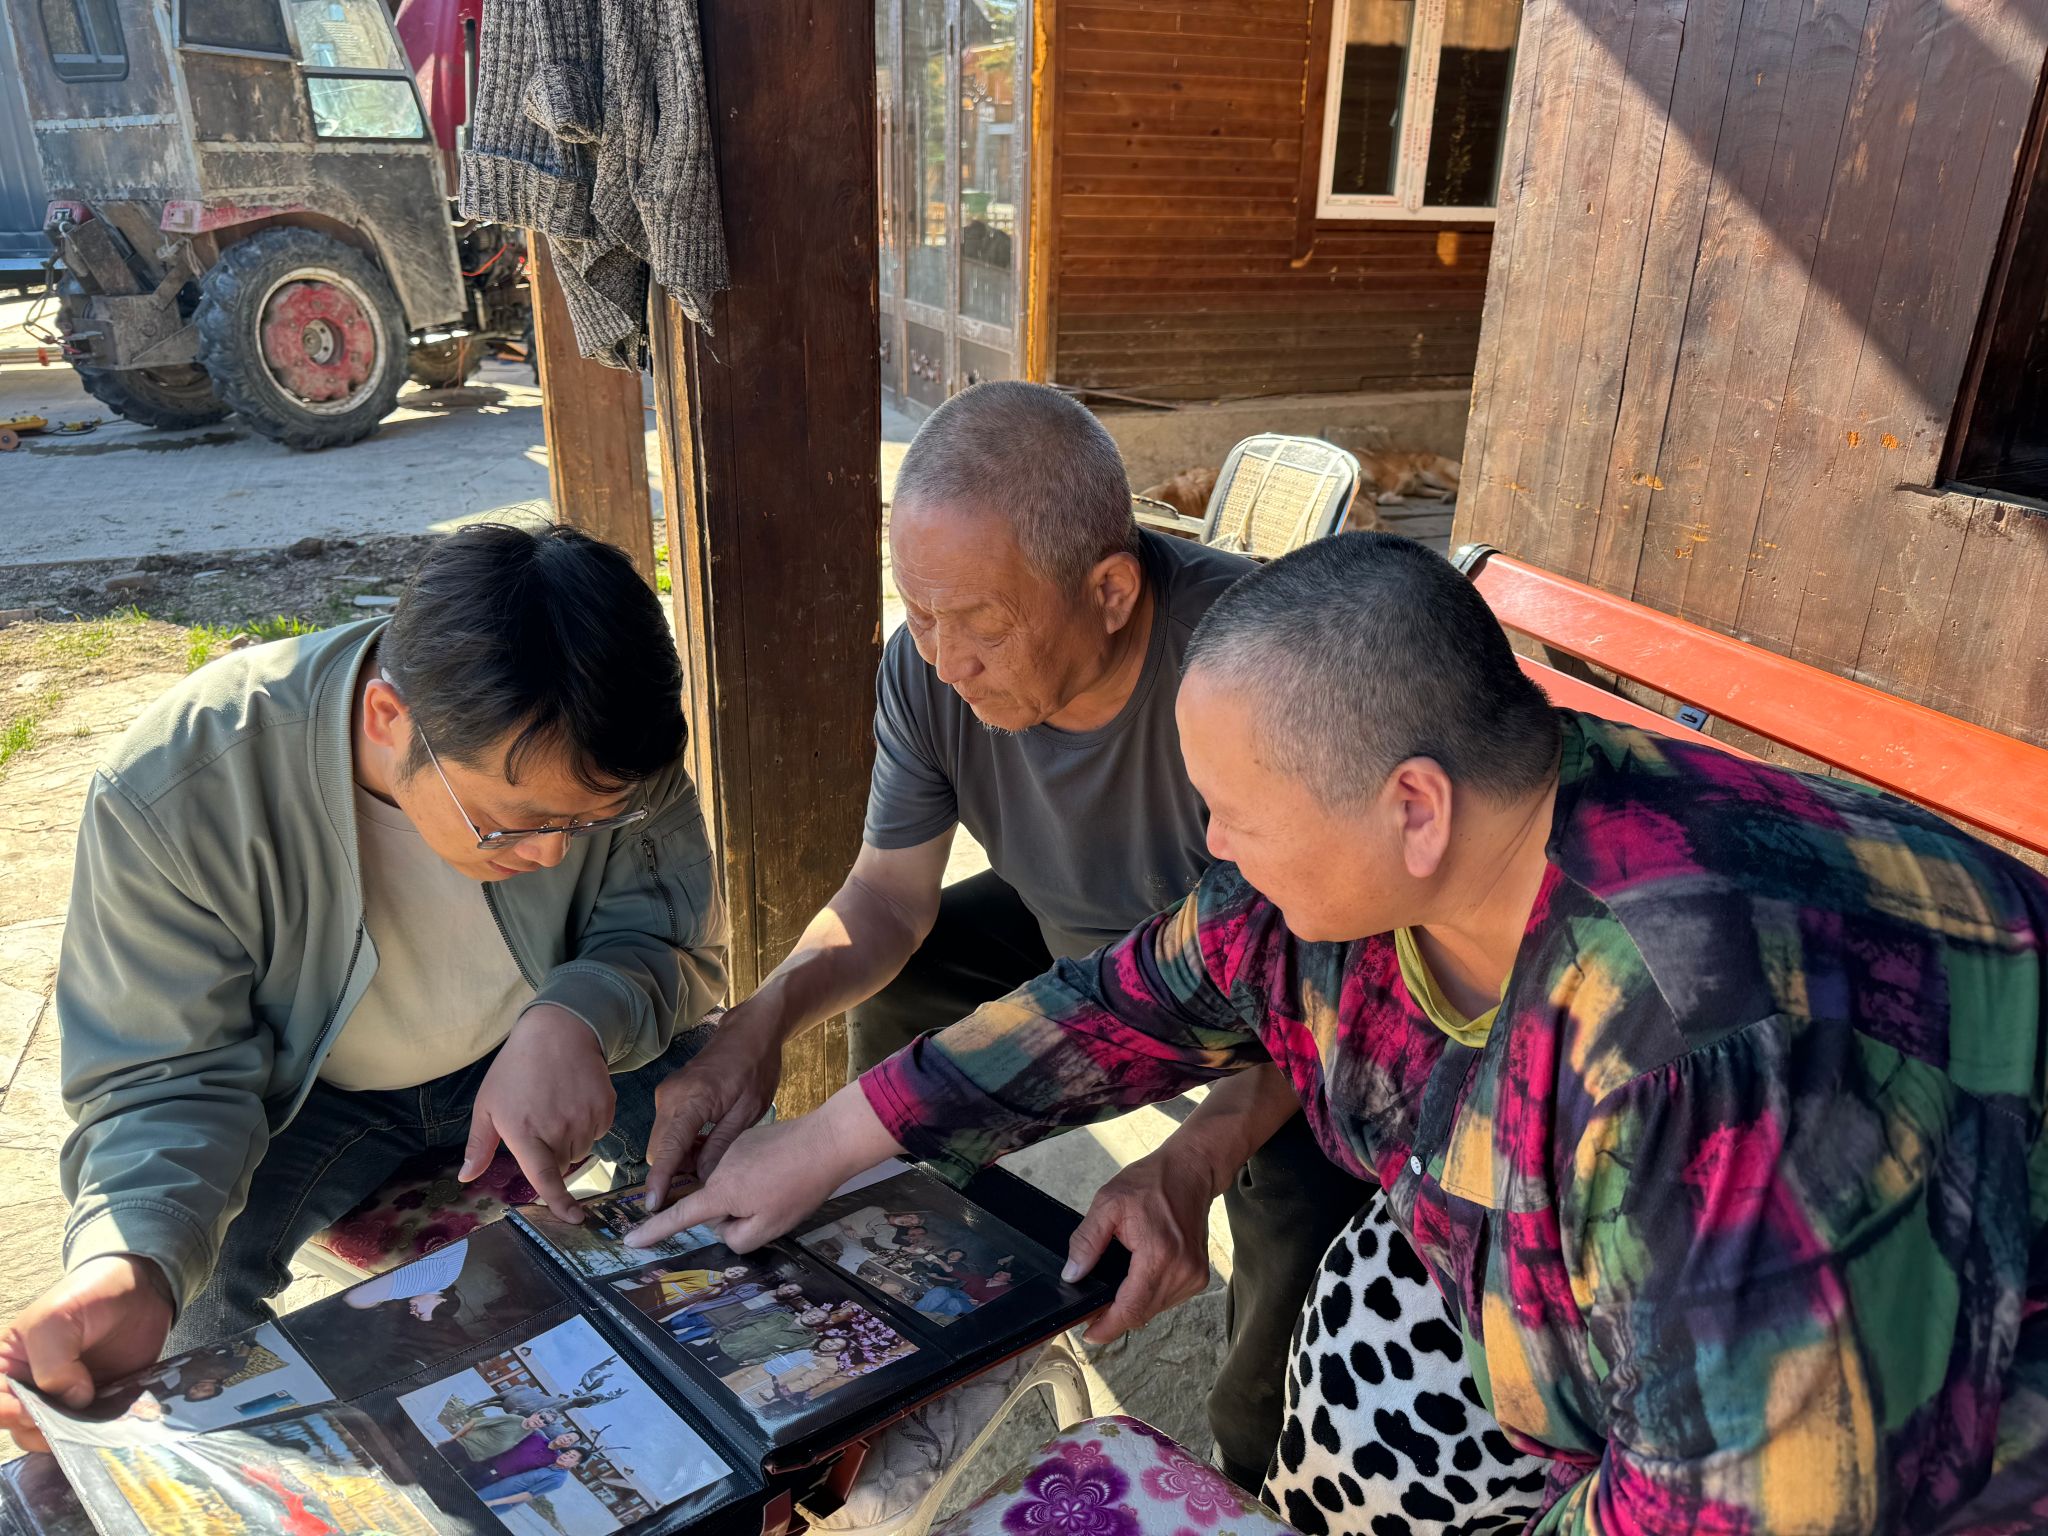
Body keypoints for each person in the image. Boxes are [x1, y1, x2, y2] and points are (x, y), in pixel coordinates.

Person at [637, 533, 2048, 1535]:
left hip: (1925, 1384)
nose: (1211, 843)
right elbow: (1127, 998)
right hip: (1611, 1285)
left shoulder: (1708, 1053)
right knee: (1370, 1318)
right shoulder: (1403, 858)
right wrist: (826, 1145)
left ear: (1412, 807)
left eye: (1235, 812)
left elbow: (1746, 1500)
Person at [641, 380, 1371, 1484]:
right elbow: (887, 898)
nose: (945, 661)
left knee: (1306, 1181)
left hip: (1270, 999)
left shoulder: (1246, 673)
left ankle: (1256, 1455)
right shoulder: (927, 664)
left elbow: (1320, 972)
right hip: (1074, 946)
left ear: (1111, 591)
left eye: (979, 623)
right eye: (919, 613)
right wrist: (757, 1023)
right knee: (913, 979)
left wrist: (1190, 1157)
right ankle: (934, 1261)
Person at [0, 522, 728, 1454]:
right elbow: (165, 1078)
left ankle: (695, 1419)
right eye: (510, 822)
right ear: (389, 718)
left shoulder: (612, 732)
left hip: (547, 1046)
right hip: (305, 1099)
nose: (552, 854)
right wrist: (129, 1260)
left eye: (585, 826)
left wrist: (576, 1016)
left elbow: (668, 937)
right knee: (189, 1319)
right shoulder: (179, 789)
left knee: (717, 1128)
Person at [476, 1447, 584, 1510]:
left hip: (496, 1502)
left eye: (571, 1457)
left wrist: (493, 1502)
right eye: (567, 1453)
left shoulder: (557, 1479)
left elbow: (528, 1495)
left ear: (575, 1464)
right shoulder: (551, 1465)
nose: (565, 1456)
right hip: (491, 1490)